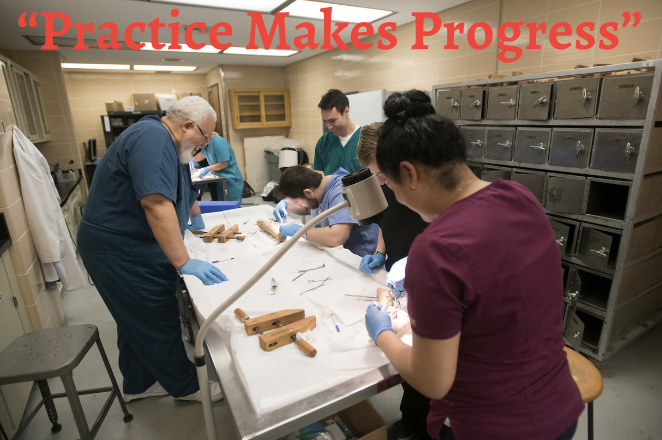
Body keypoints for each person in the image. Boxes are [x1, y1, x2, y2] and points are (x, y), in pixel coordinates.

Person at [364, 90, 584, 440]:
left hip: (492, 427)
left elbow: (432, 380)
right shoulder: (519, 197)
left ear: (409, 173)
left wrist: (383, 334)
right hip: (560, 408)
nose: (393, 194)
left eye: (388, 182)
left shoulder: (435, 250)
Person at [78, 96, 227, 404]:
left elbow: (179, 187)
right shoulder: (152, 138)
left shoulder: (171, 145)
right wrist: (183, 261)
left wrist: (194, 214)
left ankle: (139, 383)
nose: (205, 144)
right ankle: (187, 387)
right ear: (187, 126)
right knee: (157, 316)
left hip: (129, 244)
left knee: (134, 318)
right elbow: (155, 202)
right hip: (120, 249)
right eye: (206, 136)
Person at [356, 122, 431, 440]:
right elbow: (388, 219)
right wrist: (381, 252)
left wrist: (383, 334)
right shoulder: (392, 185)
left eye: (383, 176)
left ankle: (415, 426)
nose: (382, 184)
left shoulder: (442, 236)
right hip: (406, 269)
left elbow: (431, 374)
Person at [272, 166, 379, 257]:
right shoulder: (320, 190)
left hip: (358, 257)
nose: (298, 206)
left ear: (308, 193)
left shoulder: (341, 191)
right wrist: (286, 205)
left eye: (297, 202)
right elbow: (309, 208)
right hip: (335, 253)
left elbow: (336, 238)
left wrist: (301, 232)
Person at [314, 89, 362, 175]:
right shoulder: (323, 143)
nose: (329, 127)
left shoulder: (366, 139)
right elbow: (320, 178)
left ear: (346, 111)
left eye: (332, 120)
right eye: (325, 121)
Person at [194, 132, 244, 202]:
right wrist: (190, 160)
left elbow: (223, 164)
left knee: (232, 207)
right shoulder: (206, 143)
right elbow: (202, 155)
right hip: (220, 179)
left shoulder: (218, 142)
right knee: (222, 205)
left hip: (231, 179)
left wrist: (206, 169)